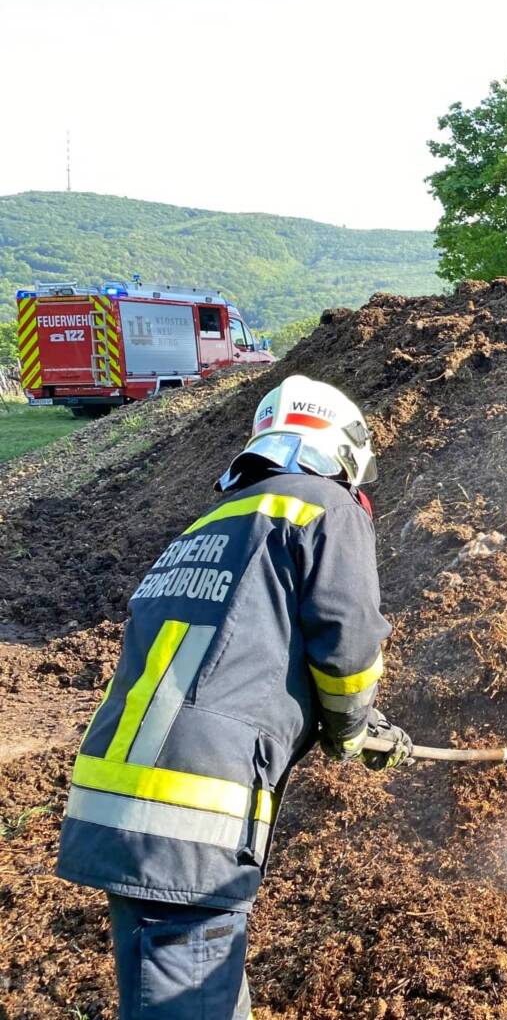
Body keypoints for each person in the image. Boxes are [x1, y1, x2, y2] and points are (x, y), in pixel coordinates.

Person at [55, 375, 412, 1019]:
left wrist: (349, 721)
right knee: (191, 997)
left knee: (193, 988)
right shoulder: (323, 507)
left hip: (123, 800)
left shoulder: (212, 525)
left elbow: (239, 659)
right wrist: (352, 727)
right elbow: (348, 641)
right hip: (192, 816)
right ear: (346, 452)